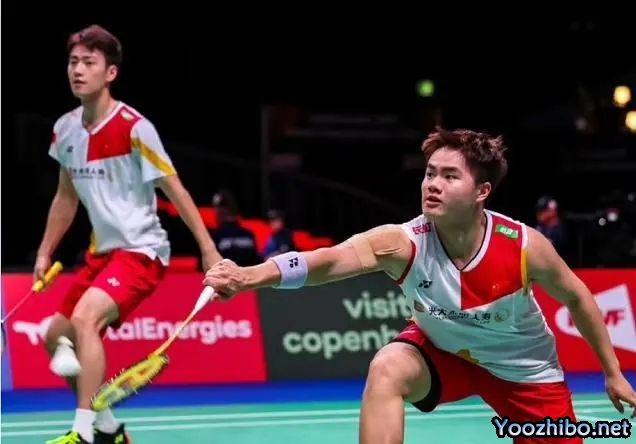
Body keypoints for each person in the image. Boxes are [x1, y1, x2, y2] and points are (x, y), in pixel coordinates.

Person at [203, 127, 636, 444]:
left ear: (482, 191)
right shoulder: (403, 242)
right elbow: (326, 261)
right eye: (430, 173)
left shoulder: (524, 246)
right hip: (444, 354)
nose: (433, 185)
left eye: (450, 176)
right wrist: (248, 276)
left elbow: (577, 296)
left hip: (523, 370)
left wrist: (612, 372)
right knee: (387, 368)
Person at [36, 25, 223, 444]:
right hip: (101, 254)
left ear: (111, 73)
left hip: (141, 250)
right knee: (55, 337)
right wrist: (45, 252)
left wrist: (208, 250)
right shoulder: (65, 129)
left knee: (84, 319)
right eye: (73, 62)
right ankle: (108, 430)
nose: (78, 70)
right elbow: (65, 196)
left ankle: (83, 433)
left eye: (89, 62)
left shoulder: (135, 127)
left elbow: (175, 189)